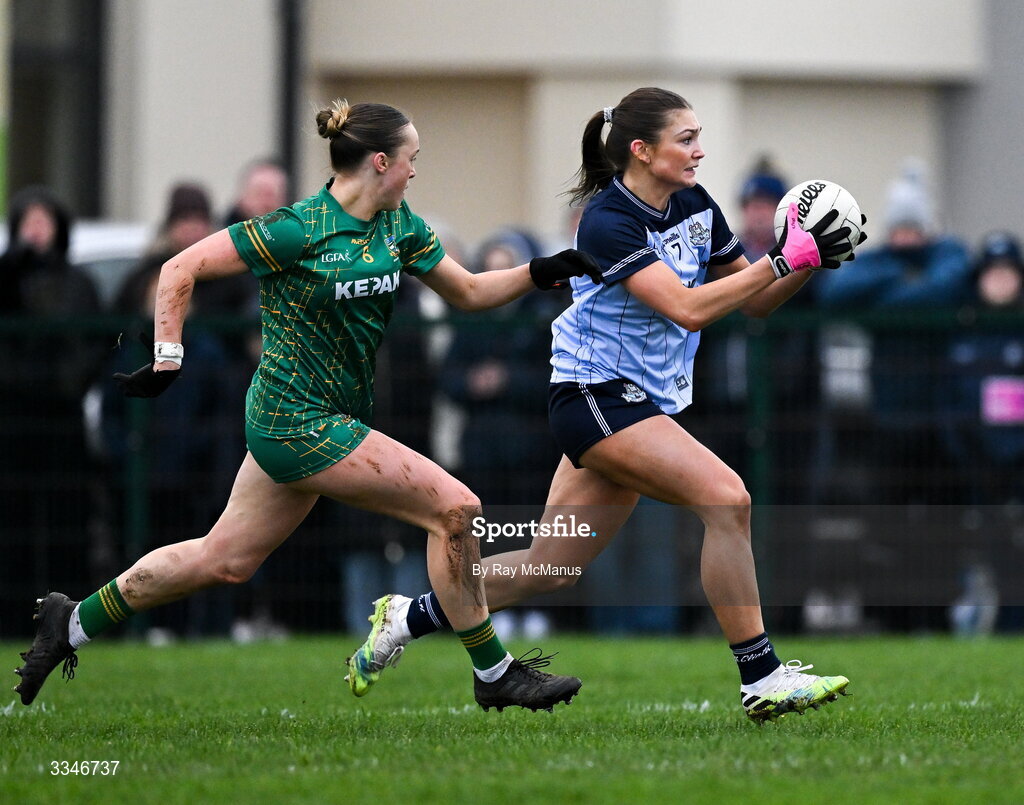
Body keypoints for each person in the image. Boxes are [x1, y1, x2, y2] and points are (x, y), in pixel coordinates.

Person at [14, 99, 604, 712]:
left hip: (330, 420)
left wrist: (541, 270)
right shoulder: (296, 227)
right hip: (293, 420)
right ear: (381, 161)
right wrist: (169, 355)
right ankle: (494, 672)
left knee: (224, 560)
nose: (414, 171)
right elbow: (179, 267)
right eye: (412, 159)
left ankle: (72, 621)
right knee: (456, 509)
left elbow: (471, 291)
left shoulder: (398, 224)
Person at [348, 87, 863, 723]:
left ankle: (408, 615)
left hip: (636, 402)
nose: (700, 151)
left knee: (550, 566)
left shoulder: (696, 203)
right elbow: (686, 306)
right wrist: (784, 256)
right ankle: (761, 675)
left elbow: (751, 302)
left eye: (699, 136)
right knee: (727, 499)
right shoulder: (607, 220)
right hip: (593, 398)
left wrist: (806, 265)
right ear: (641, 151)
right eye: (687, 139)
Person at [0, 186, 103, 635]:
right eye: (29, 221)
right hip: (13, 422)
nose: (37, 231)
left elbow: (90, 346)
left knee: (66, 519)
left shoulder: (78, 284)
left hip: (62, 420)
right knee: (14, 522)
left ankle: (65, 619)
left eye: (45, 220)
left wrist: (64, 382)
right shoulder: (6, 279)